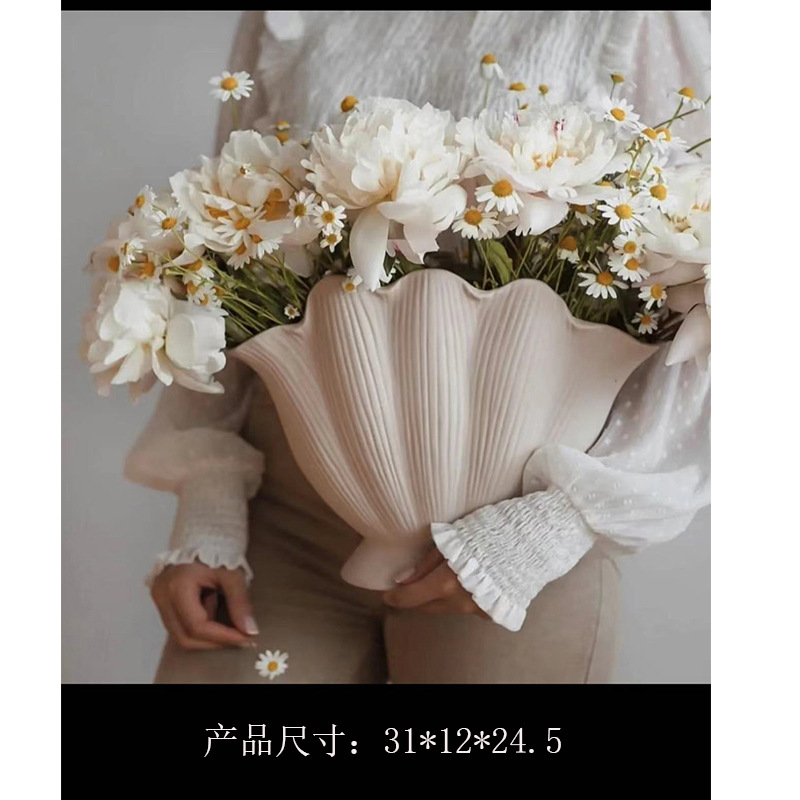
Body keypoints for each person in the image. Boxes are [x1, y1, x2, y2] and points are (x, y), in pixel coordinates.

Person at [126, 10, 711, 683]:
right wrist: (210, 506)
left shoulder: (642, 22)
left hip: (513, 526)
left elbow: (707, 278)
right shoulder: (287, 19)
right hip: (288, 517)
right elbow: (227, 241)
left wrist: (550, 527)